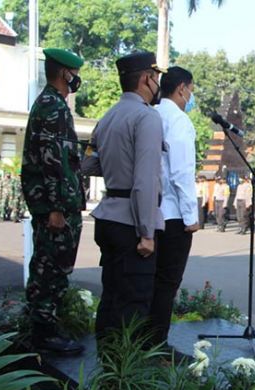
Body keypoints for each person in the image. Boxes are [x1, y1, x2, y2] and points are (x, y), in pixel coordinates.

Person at [81, 51, 166, 344]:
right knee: (134, 303)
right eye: (156, 77)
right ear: (146, 78)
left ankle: (105, 362)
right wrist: (147, 233)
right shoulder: (147, 117)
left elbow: (89, 163)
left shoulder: (108, 116)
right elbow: (144, 181)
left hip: (109, 217)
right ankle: (122, 374)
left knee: (112, 296)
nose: (157, 84)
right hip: (132, 223)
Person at [22, 48, 86, 354]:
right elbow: (53, 161)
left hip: (49, 204)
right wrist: (57, 209)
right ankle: (45, 333)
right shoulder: (54, 108)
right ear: (65, 73)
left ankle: (41, 326)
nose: (76, 79)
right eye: (74, 73)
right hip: (55, 208)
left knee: (46, 266)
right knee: (53, 268)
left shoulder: (47, 104)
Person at [150, 65, 200, 347]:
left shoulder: (151, 114)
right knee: (167, 283)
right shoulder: (179, 121)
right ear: (181, 88)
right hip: (173, 216)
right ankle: (157, 343)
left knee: (149, 281)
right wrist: (191, 216)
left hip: (149, 213)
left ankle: (142, 340)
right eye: (190, 90)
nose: (190, 96)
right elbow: (182, 173)